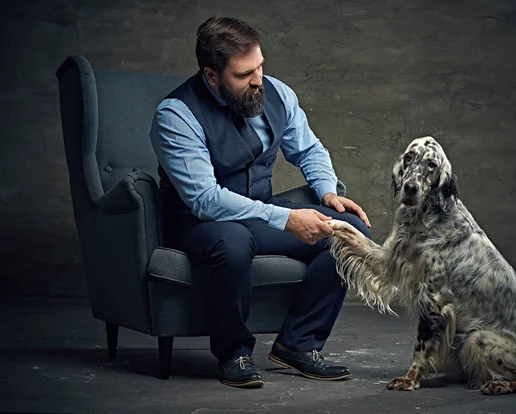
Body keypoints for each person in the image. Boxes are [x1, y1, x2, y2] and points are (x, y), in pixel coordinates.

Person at [149, 16, 371, 388]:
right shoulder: (176, 116)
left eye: (260, 67)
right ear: (211, 75)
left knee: (349, 233)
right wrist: (285, 219)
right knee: (232, 244)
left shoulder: (277, 93)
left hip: (259, 215)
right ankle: (234, 353)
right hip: (200, 222)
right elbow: (205, 200)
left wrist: (328, 190)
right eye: (243, 74)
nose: (257, 80)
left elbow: (310, 149)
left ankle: (298, 345)